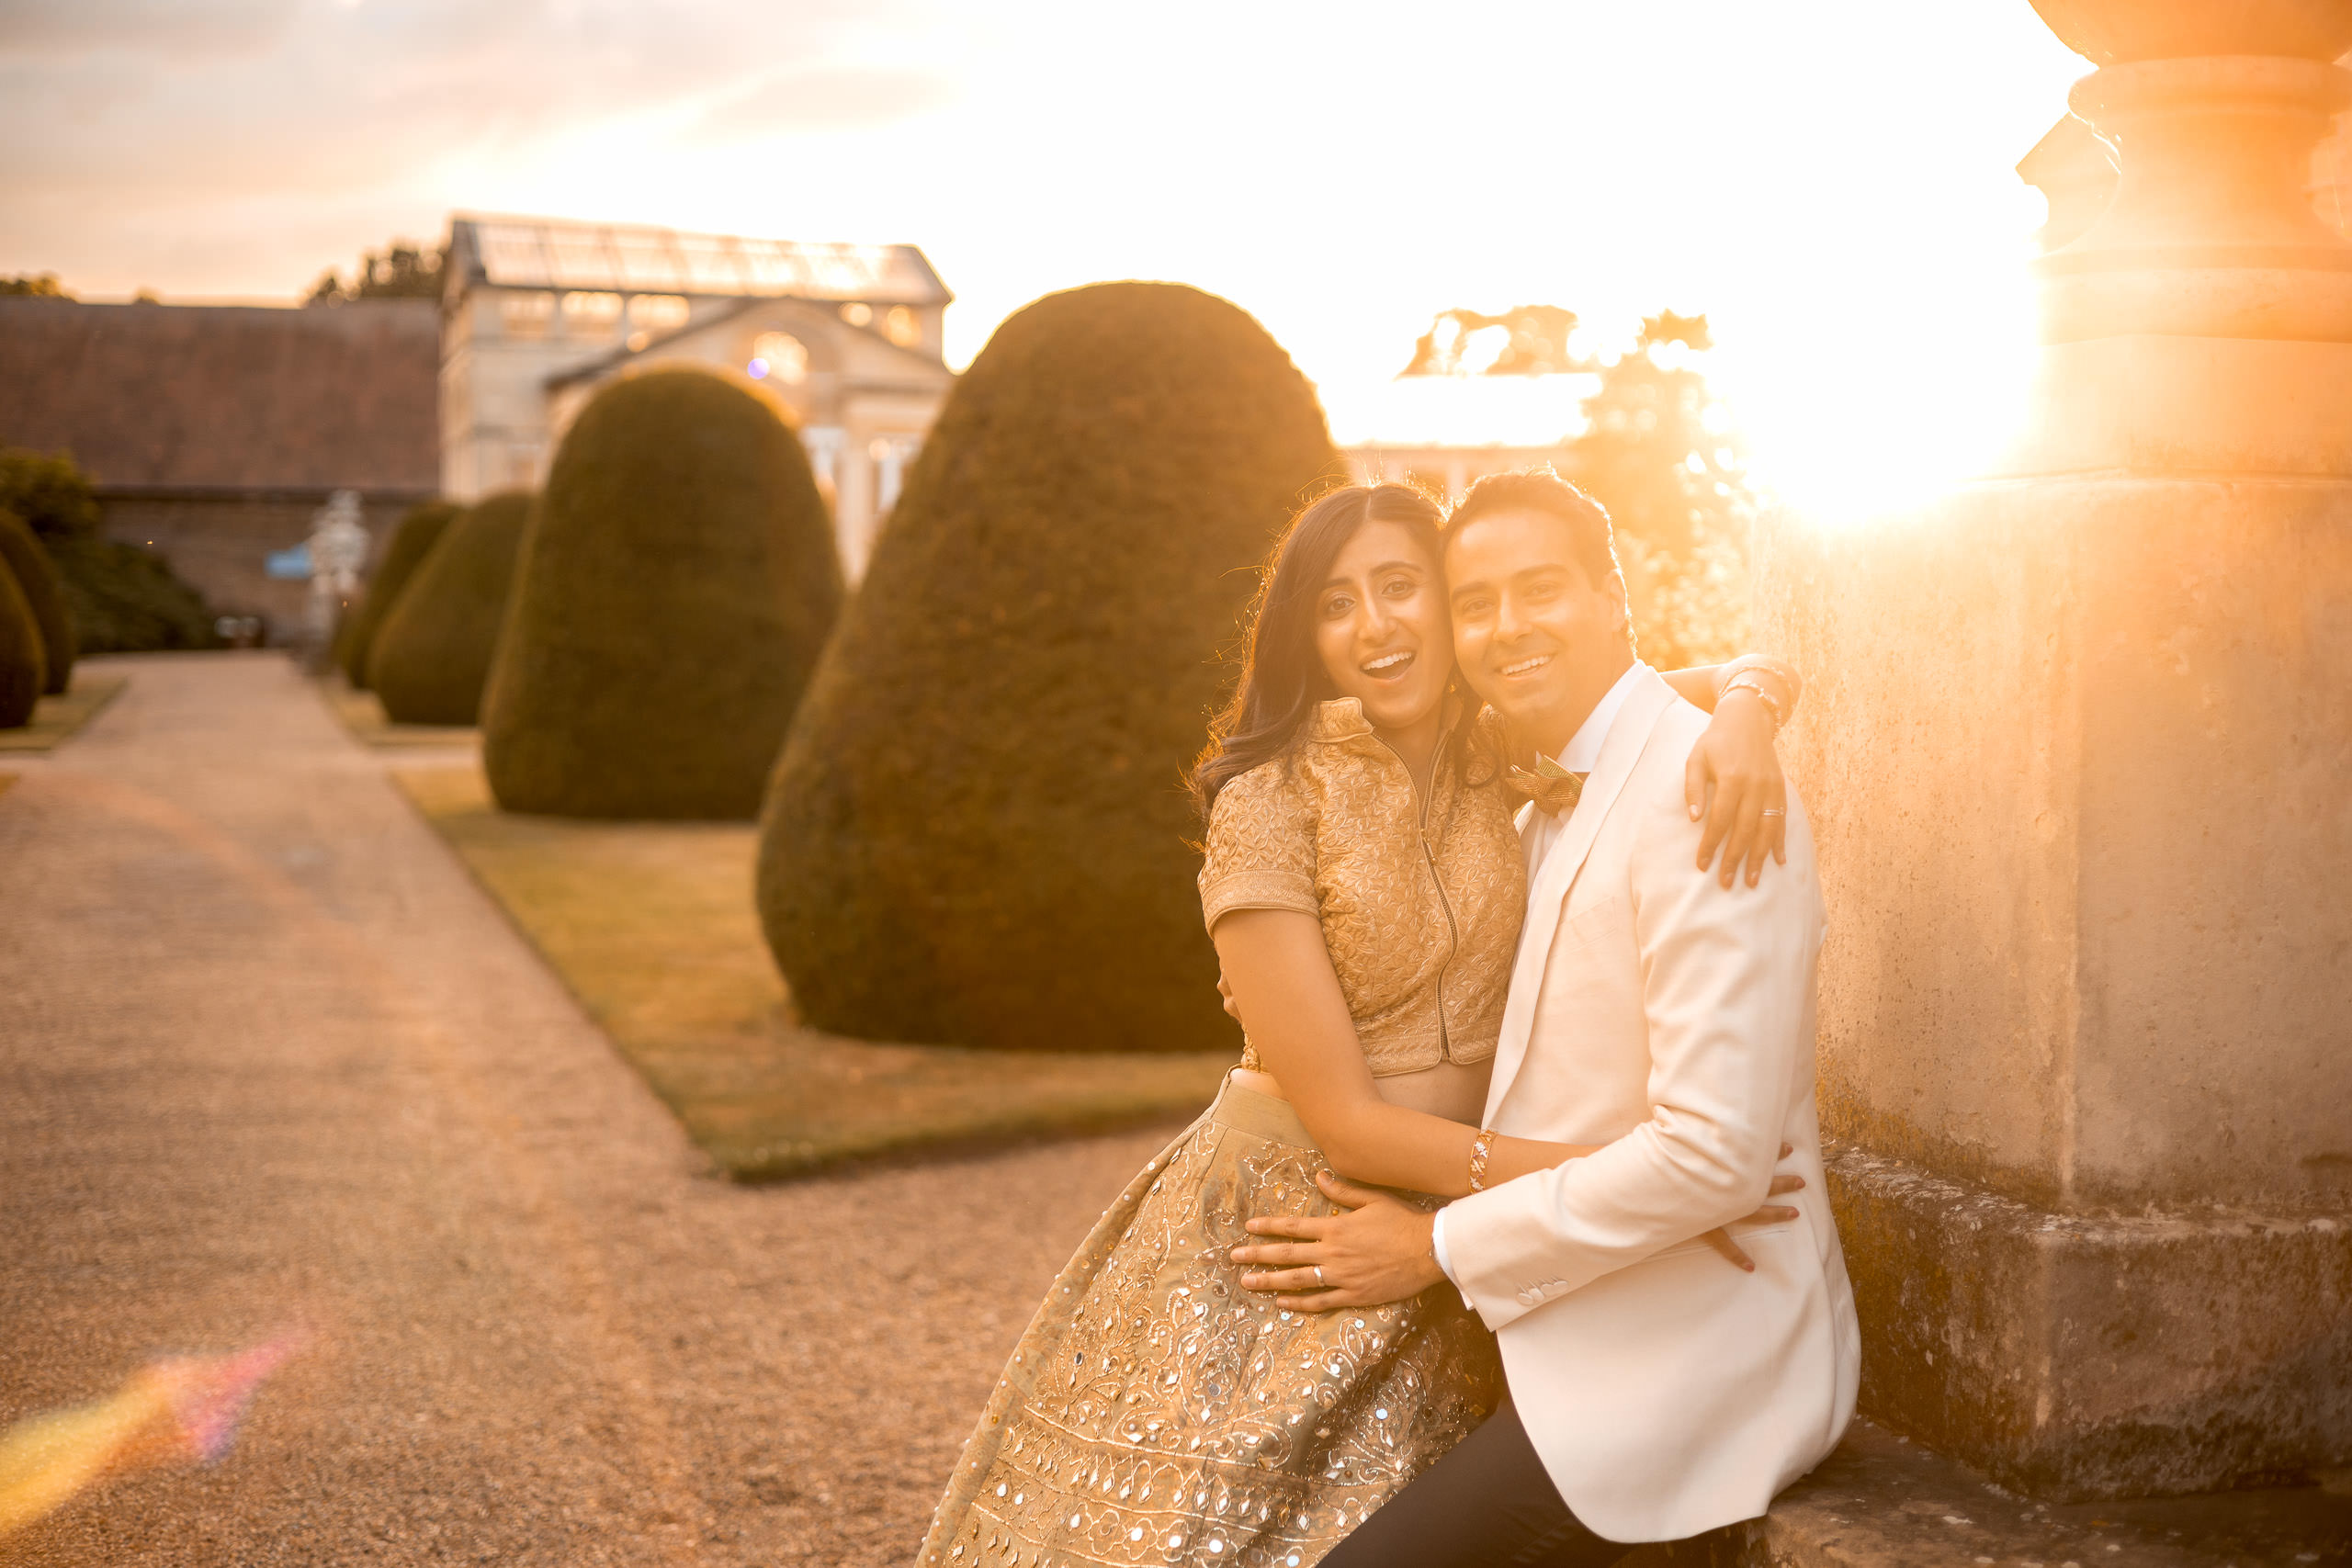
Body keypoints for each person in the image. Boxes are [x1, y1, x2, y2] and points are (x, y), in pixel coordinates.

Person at [916, 482, 1809, 1568]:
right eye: (1337, 605)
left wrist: (1749, 713)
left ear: (1446, 609)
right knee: (1211, 1541)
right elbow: (1344, 1126)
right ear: (1309, 637)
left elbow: (1691, 683)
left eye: (1401, 588)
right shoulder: (1270, 799)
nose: (1376, 625)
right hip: (1297, 1223)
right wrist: (1644, 1185)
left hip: (1452, 1226)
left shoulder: (1507, 747)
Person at [1229, 470, 1860, 1568]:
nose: (1505, 627)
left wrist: (1432, 1245)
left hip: (1687, 1334)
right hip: (1570, 1291)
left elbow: (1714, 1163)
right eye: (1475, 603)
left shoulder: (1705, 797)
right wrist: (1753, 690)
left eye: (1539, 590)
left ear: (1614, 596)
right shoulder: (1537, 778)